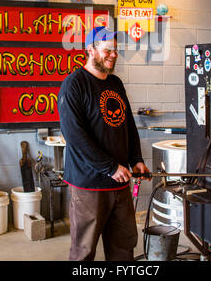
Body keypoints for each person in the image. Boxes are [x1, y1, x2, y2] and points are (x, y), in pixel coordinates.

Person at [58, 26, 150, 261]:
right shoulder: (74, 84)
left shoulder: (115, 83)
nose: (113, 55)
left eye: (116, 51)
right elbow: (75, 136)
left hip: (120, 184)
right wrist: (109, 167)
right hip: (89, 184)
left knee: (123, 245)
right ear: (90, 49)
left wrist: (136, 159)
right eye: (107, 50)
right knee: (84, 251)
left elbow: (127, 124)